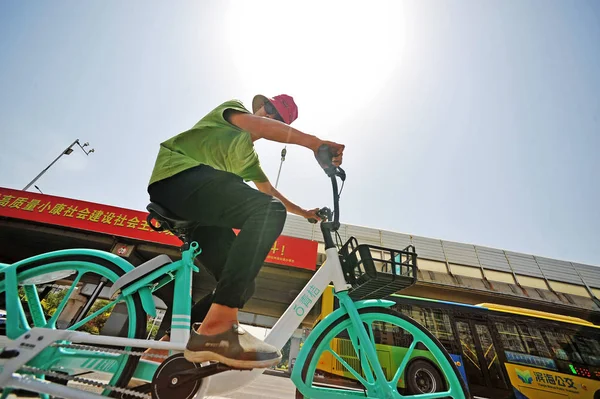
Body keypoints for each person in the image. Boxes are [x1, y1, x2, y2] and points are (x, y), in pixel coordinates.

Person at [145, 94, 344, 369]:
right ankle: (219, 328)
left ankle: (168, 344)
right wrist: (312, 142)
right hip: (176, 179)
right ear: (259, 107)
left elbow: (269, 192)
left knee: (240, 285)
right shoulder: (232, 113)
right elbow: (261, 128)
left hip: (201, 216)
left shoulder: (247, 158)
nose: (270, 116)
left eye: (279, 117)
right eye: (270, 108)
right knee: (268, 211)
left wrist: (304, 213)